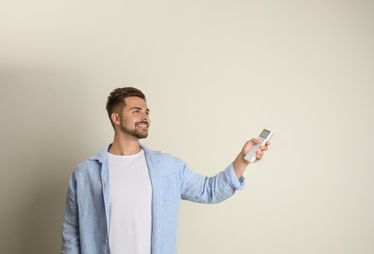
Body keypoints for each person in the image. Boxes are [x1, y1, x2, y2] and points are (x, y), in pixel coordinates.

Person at [61, 87, 270, 254]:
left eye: (147, 111)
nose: (145, 117)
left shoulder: (167, 167)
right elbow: (72, 235)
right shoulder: (85, 173)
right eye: (136, 111)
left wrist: (243, 160)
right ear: (116, 118)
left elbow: (210, 190)